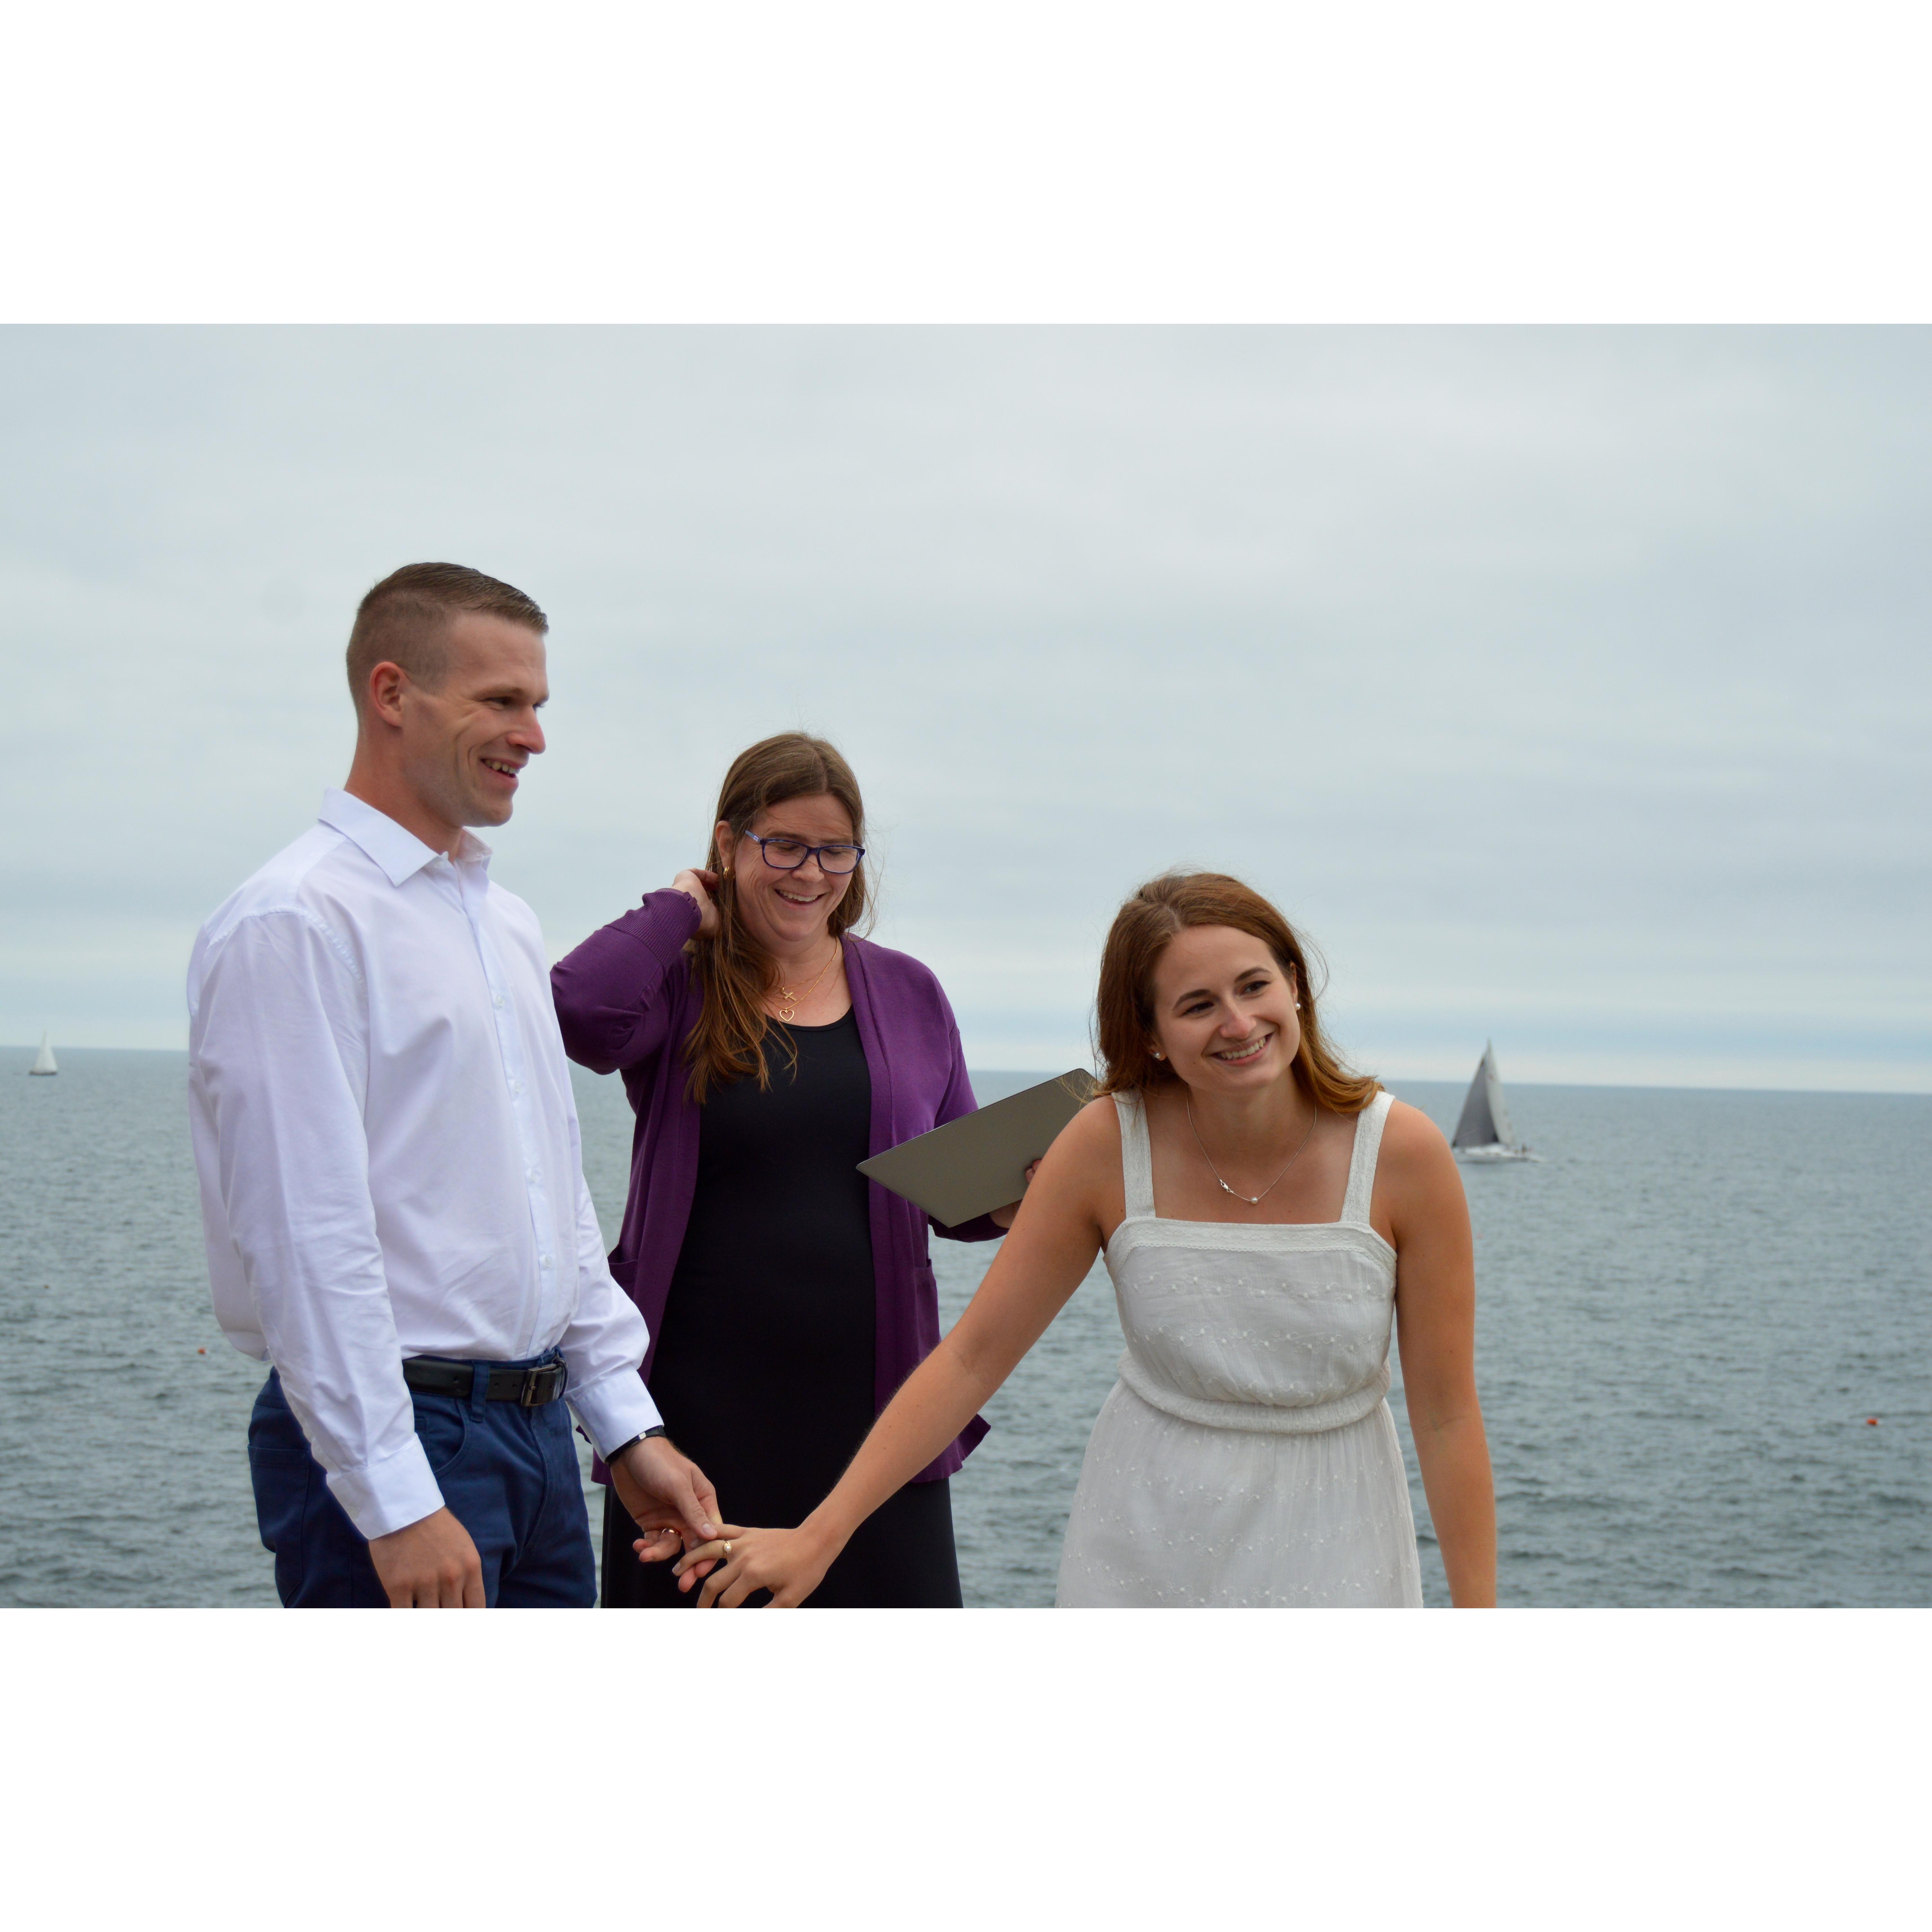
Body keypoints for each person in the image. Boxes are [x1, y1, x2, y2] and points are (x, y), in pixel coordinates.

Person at [678, 871, 1498, 1609]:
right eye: (1197, 1004)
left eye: (1254, 985)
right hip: (1144, 1540)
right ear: (1150, 1033)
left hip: (1340, 1536)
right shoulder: (1104, 1143)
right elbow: (971, 1359)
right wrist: (819, 1536)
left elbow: (1446, 1415)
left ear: (1294, 984)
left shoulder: (1403, 1153)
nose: (1238, 1021)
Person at [187, 562, 721, 1608]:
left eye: (539, 704)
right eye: (502, 700)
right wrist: (392, 1498)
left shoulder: (503, 922)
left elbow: (552, 1204)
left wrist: (624, 1424)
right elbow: (307, 1233)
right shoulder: (294, 921)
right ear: (392, 693)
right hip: (401, 1439)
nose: (535, 736)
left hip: (537, 1436)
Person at [550, 732, 1014, 1607]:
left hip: (878, 1414)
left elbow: (956, 1194)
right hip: (696, 1416)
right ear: (729, 843)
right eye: (784, 846)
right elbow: (576, 1011)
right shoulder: (680, 980)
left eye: (835, 850)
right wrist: (679, 907)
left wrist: (1030, 1187)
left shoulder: (910, 990)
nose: (811, 873)